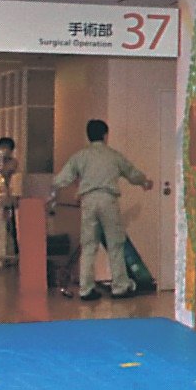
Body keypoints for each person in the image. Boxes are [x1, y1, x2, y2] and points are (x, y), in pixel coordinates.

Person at [50, 120, 153, 300]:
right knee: (115, 244)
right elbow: (131, 173)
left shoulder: (80, 156)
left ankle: (86, 289)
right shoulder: (113, 156)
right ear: (105, 135)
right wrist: (144, 182)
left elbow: (60, 180)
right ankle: (119, 287)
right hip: (108, 200)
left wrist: (74, 185)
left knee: (89, 246)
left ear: (88, 136)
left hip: (88, 201)